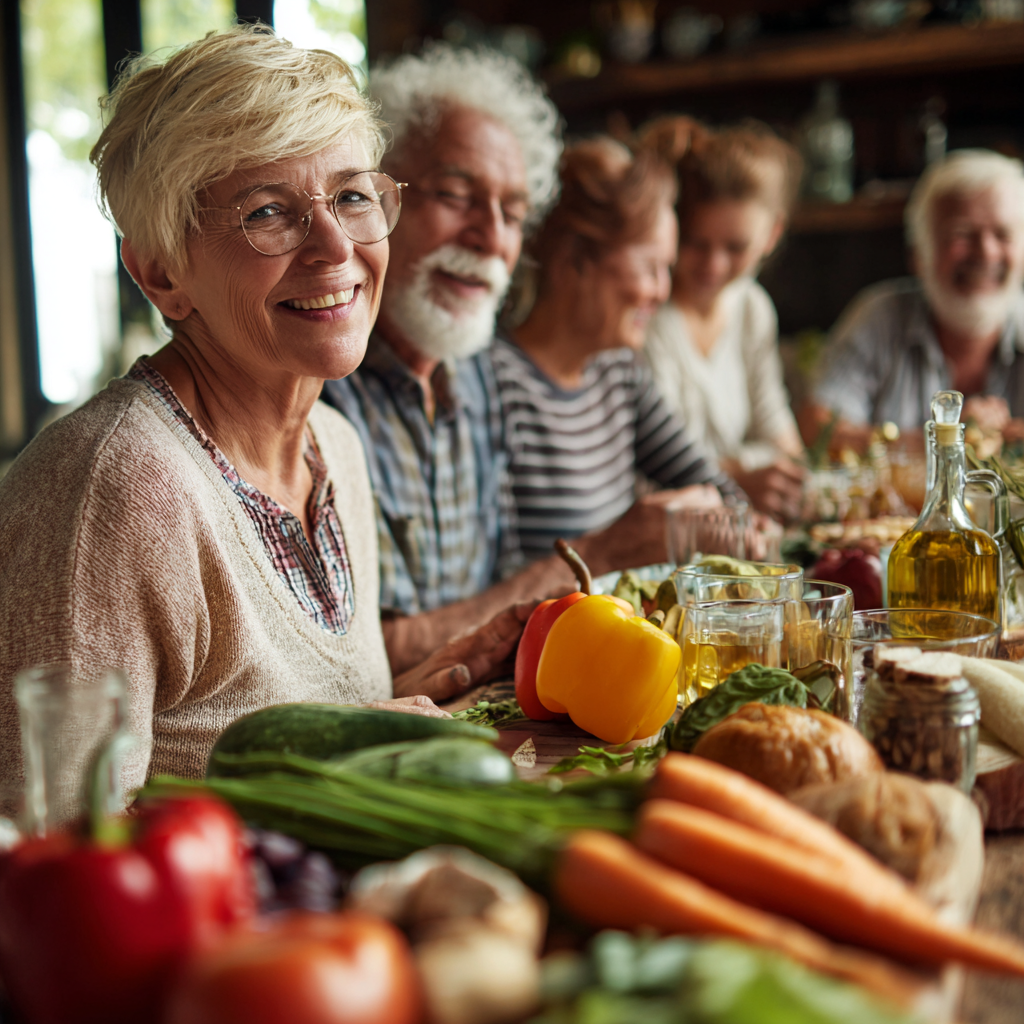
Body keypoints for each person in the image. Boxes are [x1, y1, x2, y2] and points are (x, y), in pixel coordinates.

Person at [0, 28, 532, 802]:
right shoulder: (108, 492)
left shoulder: (336, 449)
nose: (334, 249)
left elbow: (249, 730)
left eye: (352, 196)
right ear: (160, 272)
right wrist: (330, 774)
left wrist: (379, 724)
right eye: (268, 213)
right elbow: (50, 853)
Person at [323, 46, 708, 674]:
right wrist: (601, 550)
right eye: (455, 195)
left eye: (513, 213)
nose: (492, 238)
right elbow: (369, 659)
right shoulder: (324, 389)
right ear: (373, 200)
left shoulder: (473, 374)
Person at [492, 136, 740, 561]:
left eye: (667, 269)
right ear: (576, 259)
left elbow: (719, 495)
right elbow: (494, 589)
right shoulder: (496, 384)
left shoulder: (618, 371)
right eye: (650, 267)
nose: (663, 291)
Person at [639, 118, 806, 521]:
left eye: (735, 247)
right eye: (697, 243)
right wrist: (739, 475)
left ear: (772, 234)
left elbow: (784, 446)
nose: (714, 265)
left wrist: (727, 471)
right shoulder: (646, 319)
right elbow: (651, 475)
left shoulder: (751, 306)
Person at [805, 149, 1024, 447]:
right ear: (919, 254)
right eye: (962, 234)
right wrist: (944, 439)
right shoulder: (880, 315)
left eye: (1003, 234)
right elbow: (818, 428)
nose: (986, 253)